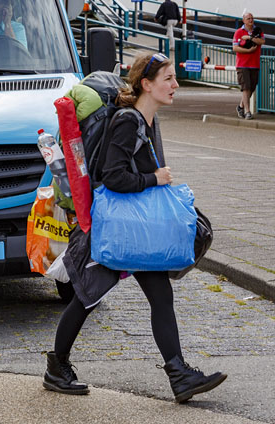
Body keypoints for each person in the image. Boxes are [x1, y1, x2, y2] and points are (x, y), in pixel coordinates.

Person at [44, 51, 227, 404]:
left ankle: (178, 374)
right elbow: (113, 176)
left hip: (135, 229)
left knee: (159, 295)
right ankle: (57, 365)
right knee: (88, 296)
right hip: (118, 227)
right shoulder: (129, 121)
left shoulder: (144, 119)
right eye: (168, 79)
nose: (175, 85)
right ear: (146, 84)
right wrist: (153, 178)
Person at [233, 11, 265, 120]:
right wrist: (248, 51)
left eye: (252, 18)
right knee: (245, 87)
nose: (251, 20)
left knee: (251, 88)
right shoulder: (238, 32)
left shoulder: (258, 31)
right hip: (242, 64)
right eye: (248, 18)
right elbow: (235, 48)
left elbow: (262, 41)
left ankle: (240, 106)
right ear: (244, 20)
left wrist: (250, 38)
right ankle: (247, 111)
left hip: (254, 64)